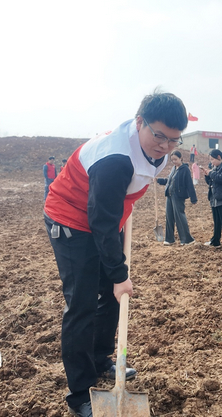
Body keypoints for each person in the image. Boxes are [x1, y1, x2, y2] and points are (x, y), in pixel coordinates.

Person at [43, 91, 187, 417]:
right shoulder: (115, 159)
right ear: (140, 123)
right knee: (81, 303)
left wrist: (116, 274)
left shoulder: (158, 152)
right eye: (159, 136)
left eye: (173, 140)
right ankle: (80, 393)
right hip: (71, 219)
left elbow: (119, 199)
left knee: (111, 295)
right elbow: (100, 221)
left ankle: (100, 357)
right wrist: (120, 275)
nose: (164, 146)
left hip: (106, 215)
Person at [157, 150, 197, 246]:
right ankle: (169, 239)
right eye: (172, 160)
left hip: (178, 196)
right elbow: (168, 180)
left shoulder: (185, 169)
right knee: (169, 217)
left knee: (179, 216)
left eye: (175, 159)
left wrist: (193, 197)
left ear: (181, 158)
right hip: (170, 195)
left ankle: (187, 239)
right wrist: (159, 180)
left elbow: (189, 184)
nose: (174, 161)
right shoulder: (173, 169)